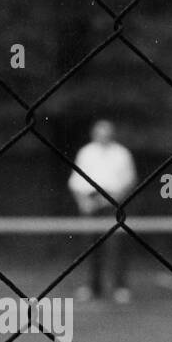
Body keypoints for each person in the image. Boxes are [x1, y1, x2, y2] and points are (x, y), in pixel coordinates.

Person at [67, 119, 138, 303]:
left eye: (106, 133)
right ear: (94, 134)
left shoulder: (122, 153)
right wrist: (84, 202)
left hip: (114, 205)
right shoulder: (86, 152)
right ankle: (93, 287)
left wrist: (112, 199)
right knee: (91, 247)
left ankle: (120, 287)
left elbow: (129, 180)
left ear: (111, 134)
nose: (103, 136)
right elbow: (76, 182)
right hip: (90, 204)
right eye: (99, 133)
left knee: (115, 247)